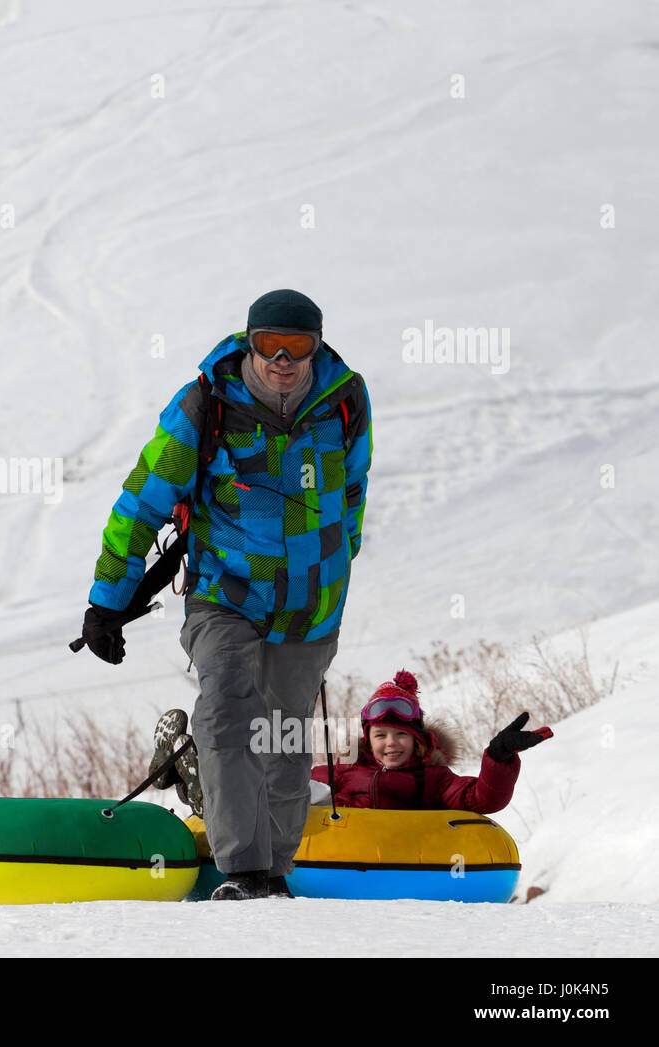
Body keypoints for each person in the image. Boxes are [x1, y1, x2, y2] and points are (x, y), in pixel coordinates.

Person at [81, 289, 372, 900]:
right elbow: (142, 503)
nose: (284, 359)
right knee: (228, 710)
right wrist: (108, 602)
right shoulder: (206, 404)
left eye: (299, 347)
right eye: (271, 345)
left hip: (311, 604)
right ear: (250, 341)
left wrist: (343, 553)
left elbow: (354, 485)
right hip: (225, 594)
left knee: (283, 737)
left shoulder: (345, 398)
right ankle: (241, 869)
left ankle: (274, 872)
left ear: (317, 346)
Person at [310, 670, 552, 811]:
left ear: (417, 739)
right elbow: (295, 788)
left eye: (401, 734)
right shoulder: (342, 771)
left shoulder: (435, 779)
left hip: (405, 867)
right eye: (380, 735)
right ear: (368, 741)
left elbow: (482, 799)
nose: (391, 743)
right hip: (342, 862)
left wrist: (499, 757)